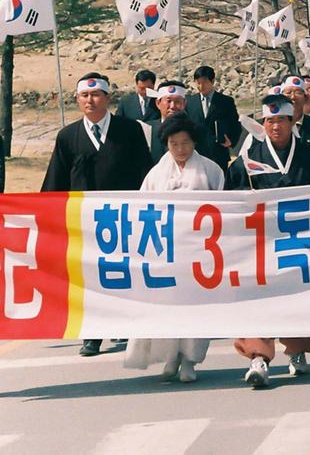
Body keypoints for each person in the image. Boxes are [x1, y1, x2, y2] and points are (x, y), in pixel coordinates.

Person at [227, 95, 310, 387]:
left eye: (281, 121)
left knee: (295, 297)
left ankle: (296, 350)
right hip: (261, 242)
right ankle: (258, 358)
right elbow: (233, 195)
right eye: (270, 121)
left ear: (292, 121)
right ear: (263, 124)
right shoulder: (249, 159)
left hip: (300, 240)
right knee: (258, 298)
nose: (275, 126)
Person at [42, 73, 153, 356]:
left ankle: (125, 325)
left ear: (107, 98)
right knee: (88, 279)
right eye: (84, 96)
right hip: (84, 223)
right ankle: (92, 334)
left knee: (123, 274)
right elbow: (55, 181)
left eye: (95, 95)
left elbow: (145, 173)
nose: (90, 100)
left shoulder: (129, 130)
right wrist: (46, 217)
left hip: (123, 218)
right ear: (78, 100)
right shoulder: (68, 136)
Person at [124, 114, 224, 383]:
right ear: (166, 145)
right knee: (167, 307)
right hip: (165, 252)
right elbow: (141, 210)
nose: (180, 149)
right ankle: (170, 357)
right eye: (174, 144)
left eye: (185, 143)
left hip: (199, 250)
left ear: (194, 142)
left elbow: (224, 209)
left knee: (195, 307)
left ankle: (190, 360)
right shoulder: (156, 174)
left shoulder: (211, 170)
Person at [185, 65, 240, 169]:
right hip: (196, 155)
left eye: (205, 82)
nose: (201, 86)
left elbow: (235, 125)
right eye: (198, 82)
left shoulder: (225, 102)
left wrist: (231, 141)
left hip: (218, 154)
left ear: (213, 81)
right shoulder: (190, 102)